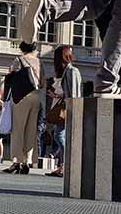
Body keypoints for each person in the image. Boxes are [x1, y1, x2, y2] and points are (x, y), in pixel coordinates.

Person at [3, 42, 44, 175]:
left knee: (18, 129)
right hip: (36, 96)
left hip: (21, 96)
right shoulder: (39, 62)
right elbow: (43, 82)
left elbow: (12, 76)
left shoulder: (19, 60)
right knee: (31, 130)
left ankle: (16, 162)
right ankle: (27, 161)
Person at [47, 45, 79, 178]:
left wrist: (58, 96)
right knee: (60, 136)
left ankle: (67, 165)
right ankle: (62, 166)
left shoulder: (71, 71)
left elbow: (72, 93)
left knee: (59, 137)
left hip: (68, 108)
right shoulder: (69, 70)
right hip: (68, 106)